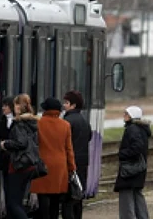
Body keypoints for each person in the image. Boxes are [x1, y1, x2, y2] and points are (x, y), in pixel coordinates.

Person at [30, 97, 76, 219]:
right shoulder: (65, 125)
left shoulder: (38, 123)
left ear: (45, 109)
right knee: (55, 199)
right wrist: (72, 167)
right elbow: (69, 149)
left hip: (42, 166)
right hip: (60, 167)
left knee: (43, 198)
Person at [1, 94, 40, 219]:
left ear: (20, 106)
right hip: (29, 165)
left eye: (16, 104)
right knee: (18, 200)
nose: (14, 107)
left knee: (13, 203)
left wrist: (6, 144)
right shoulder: (33, 122)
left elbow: (21, 143)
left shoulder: (19, 124)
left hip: (18, 165)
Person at [114, 106, 151, 219]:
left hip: (130, 169)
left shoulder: (132, 129)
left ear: (132, 116)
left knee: (126, 199)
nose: (124, 115)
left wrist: (122, 154)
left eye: (126, 114)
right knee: (137, 195)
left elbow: (136, 147)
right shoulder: (142, 128)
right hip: (139, 169)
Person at [61, 90, 92, 219]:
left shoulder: (67, 121)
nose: (64, 105)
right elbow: (89, 137)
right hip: (83, 161)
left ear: (73, 105)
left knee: (67, 199)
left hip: (70, 163)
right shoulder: (84, 121)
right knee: (78, 196)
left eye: (66, 102)